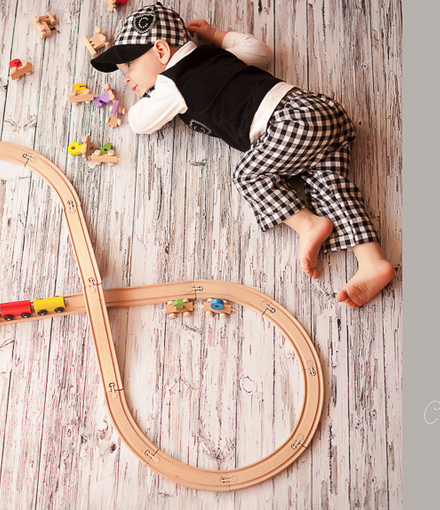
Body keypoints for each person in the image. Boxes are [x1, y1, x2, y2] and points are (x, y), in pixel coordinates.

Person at [91, 2, 394, 307]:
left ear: (161, 51)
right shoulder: (215, 54)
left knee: (248, 175)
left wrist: (150, 90)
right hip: (319, 112)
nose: (126, 79)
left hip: (290, 122)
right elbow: (259, 51)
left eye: (129, 66)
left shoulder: (171, 83)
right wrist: (216, 35)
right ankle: (372, 262)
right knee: (329, 187)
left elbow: (139, 122)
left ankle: (308, 224)